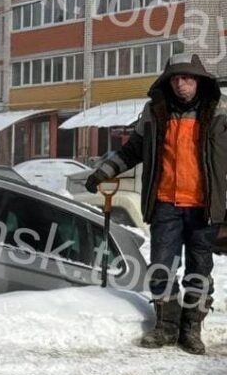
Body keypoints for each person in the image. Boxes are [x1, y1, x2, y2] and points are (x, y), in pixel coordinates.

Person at [85, 52, 227, 355]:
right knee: (162, 267)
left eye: (187, 78)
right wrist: (102, 173)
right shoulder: (154, 113)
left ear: (199, 81)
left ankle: (191, 330)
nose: (181, 84)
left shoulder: (219, 114)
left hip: (203, 206)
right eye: (175, 78)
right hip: (165, 204)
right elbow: (132, 151)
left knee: (198, 271)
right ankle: (165, 327)